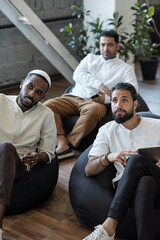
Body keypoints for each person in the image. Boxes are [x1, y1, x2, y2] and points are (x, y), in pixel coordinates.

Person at [43, 30, 138, 160]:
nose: (105, 48)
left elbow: (133, 91)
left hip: (96, 103)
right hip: (73, 97)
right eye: (102, 45)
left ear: (117, 46)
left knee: (93, 111)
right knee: (48, 105)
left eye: (109, 45)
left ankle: (68, 144)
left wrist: (108, 99)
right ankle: (61, 141)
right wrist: (98, 84)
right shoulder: (90, 58)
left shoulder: (125, 68)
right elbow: (77, 75)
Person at [83, 82, 160, 240]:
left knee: (136, 160)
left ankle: (109, 226)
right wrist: (109, 157)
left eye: (124, 100)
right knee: (145, 183)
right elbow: (89, 170)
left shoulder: (157, 126)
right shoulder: (106, 130)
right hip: (127, 189)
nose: (118, 105)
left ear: (135, 104)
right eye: (114, 100)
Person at [0, 69, 57, 240]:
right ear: (21, 83)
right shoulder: (1, 101)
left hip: (17, 166)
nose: (31, 94)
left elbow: (49, 153)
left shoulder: (46, 115)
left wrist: (38, 157)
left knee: (5, 148)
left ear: (43, 97)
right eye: (30, 87)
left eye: (38, 92)